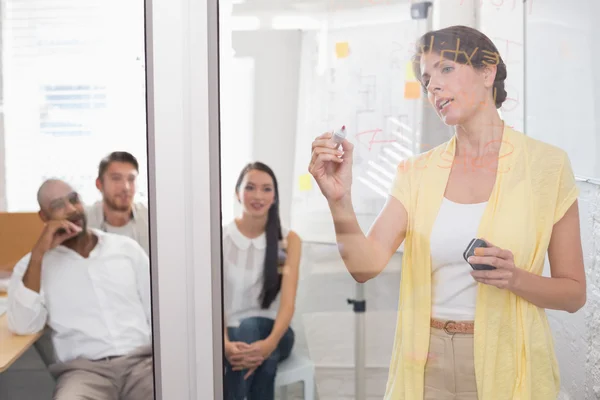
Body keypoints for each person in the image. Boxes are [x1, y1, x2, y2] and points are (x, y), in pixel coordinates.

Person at [309, 25, 585, 400]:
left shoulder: (547, 167)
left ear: (488, 72)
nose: (433, 86)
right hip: (426, 361)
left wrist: (514, 277)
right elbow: (364, 265)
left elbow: (573, 294)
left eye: (446, 69)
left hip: (510, 359)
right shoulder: (416, 173)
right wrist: (338, 200)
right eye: (426, 79)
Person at [7, 179, 153, 400]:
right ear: (44, 218)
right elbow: (23, 325)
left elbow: (157, 311)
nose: (71, 209)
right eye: (58, 206)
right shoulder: (33, 266)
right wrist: (39, 254)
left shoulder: (126, 249)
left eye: (74, 199)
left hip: (142, 364)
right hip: (84, 373)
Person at [222, 162, 301, 400]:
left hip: (277, 334)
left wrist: (267, 346)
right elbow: (211, 302)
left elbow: (287, 305)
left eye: (267, 189)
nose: (258, 195)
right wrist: (224, 345)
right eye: (251, 188)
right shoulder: (219, 238)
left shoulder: (287, 241)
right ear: (237, 193)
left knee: (250, 329)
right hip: (227, 337)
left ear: (275, 196)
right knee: (265, 364)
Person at [86, 151, 150, 255]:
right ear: (99, 184)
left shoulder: (151, 219)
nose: (126, 187)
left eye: (131, 179)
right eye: (116, 178)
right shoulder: (83, 222)